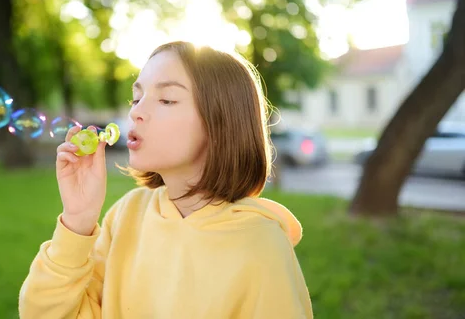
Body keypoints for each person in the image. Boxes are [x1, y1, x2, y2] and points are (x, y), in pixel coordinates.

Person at [18, 41, 313, 319]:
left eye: (167, 99)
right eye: (136, 98)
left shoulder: (260, 246)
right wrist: (78, 219)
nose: (136, 111)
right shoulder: (126, 215)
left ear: (221, 123)